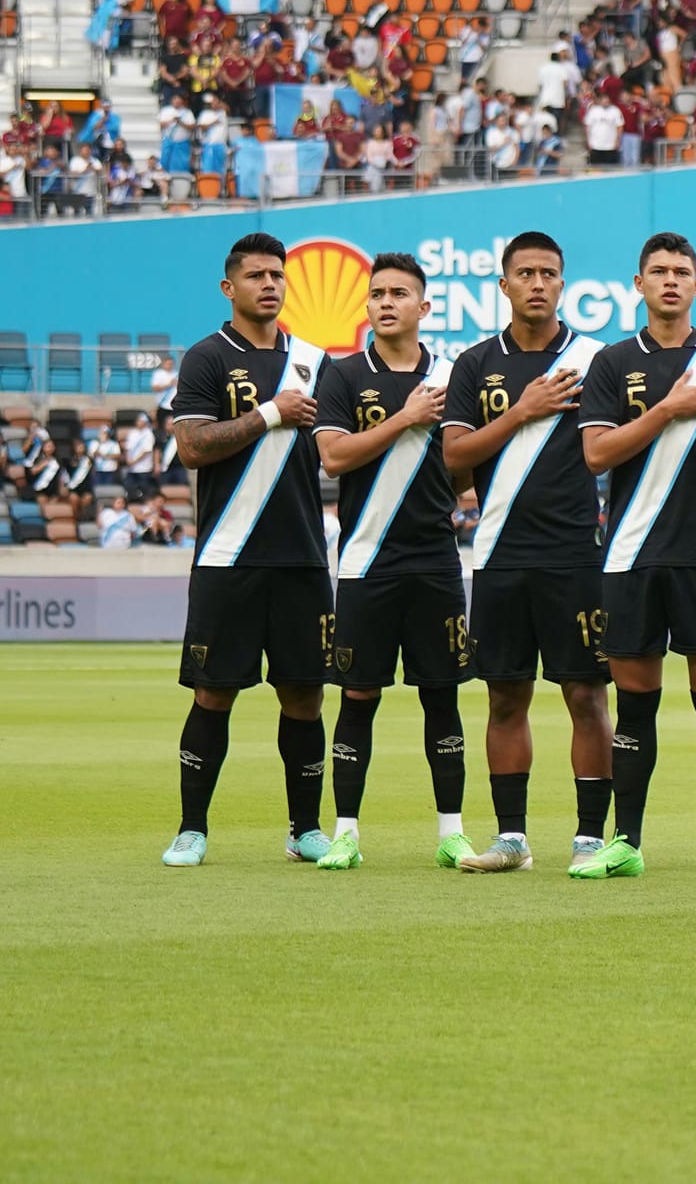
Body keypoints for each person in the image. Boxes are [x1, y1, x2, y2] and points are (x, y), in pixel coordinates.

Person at [576, 233, 696, 882]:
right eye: (659, 271)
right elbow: (597, 454)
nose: (671, 280)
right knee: (634, 703)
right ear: (639, 282)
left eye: (683, 271)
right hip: (630, 556)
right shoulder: (611, 361)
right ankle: (625, 840)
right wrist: (671, 407)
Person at [443, 231, 616, 875]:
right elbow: (453, 459)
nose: (537, 284)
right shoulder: (474, 365)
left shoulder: (598, 358)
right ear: (504, 285)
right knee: (504, 696)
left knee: (586, 695)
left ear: (563, 284)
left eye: (548, 273)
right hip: (497, 557)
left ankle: (591, 838)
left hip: (575, 554)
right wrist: (522, 412)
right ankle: (511, 838)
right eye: (525, 273)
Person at [160, 234, 333, 867]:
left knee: (305, 696)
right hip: (227, 555)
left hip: (304, 557)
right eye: (256, 275)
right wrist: (269, 414)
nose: (270, 284)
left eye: (277, 275)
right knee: (213, 693)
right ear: (229, 288)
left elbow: (338, 451)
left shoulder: (317, 362)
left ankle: (304, 829)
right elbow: (191, 447)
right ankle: (191, 829)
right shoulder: (207, 358)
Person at [308, 253, 474, 870]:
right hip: (365, 563)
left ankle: (451, 832)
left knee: (443, 697)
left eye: (399, 293)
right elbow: (334, 457)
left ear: (423, 307)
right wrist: (406, 420)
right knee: (358, 697)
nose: (385, 302)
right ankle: (346, 832)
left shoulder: (455, 376)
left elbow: (468, 461)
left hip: (434, 562)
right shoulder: (345, 376)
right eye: (376, 293)